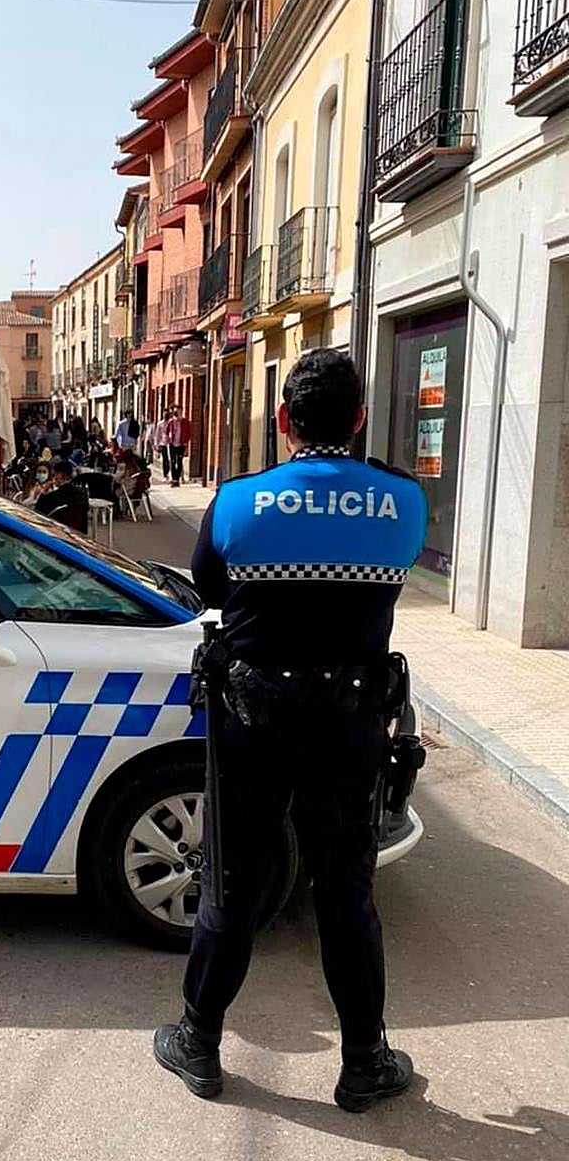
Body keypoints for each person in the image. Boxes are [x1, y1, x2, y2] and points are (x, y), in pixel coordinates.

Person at [152, 349, 428, 1112]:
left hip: (251, 719)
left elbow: (208, 584)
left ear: (282, 421)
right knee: (347, 890)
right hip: (350, 722)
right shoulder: (403, 502)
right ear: (361, 418)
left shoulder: (240, 501)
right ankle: (364, 1061)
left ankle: (199, 1043)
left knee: (234, 882)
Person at [35, 458, 89, 532]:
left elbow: (38, 512)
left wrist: (44, 492)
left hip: (56, 531)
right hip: (77, 533)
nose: (53, 478)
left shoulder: (54, 496)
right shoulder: (82, 494)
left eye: (55, 475)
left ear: (61, 475)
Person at [166, 404, 192, 486]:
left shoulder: (185, 422)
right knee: (173, 462)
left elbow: (188, 433)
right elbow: (167, 432)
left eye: (179, 411)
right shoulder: (171, 422)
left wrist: (186, 443)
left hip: (181, 444)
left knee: (179, 462)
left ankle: (177, 478)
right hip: (172, 444)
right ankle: (174, 480)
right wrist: (168, 439)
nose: (177, 413)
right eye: (176, 411)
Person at [153, 410, 170, 479]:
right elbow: (157, 434)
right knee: (164, 459)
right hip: (162, 443)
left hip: (170, 443)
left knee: (169, 459)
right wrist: (156, 444)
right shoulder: (160, 424)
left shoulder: (170, 423)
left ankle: (168, 472)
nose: (165, 416)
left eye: (166, 415)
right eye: (164, 415)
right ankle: (165, 474)